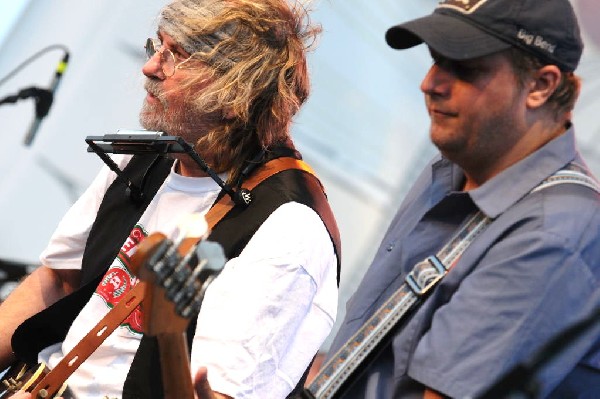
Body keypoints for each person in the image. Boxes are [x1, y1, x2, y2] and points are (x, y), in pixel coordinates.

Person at [0, 0, 341, 398]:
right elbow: (59, 280)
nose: (149, 68)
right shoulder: (144, 157)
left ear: (235, 93)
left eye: (176, 56)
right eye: (157, 47)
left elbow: (218, 392)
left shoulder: (289, 227)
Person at [321, 0, 599, 398]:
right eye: (436, 59)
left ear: (541, 86)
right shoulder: (452, 166)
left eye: (464, 67)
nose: (430, 83)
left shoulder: (556, 233)